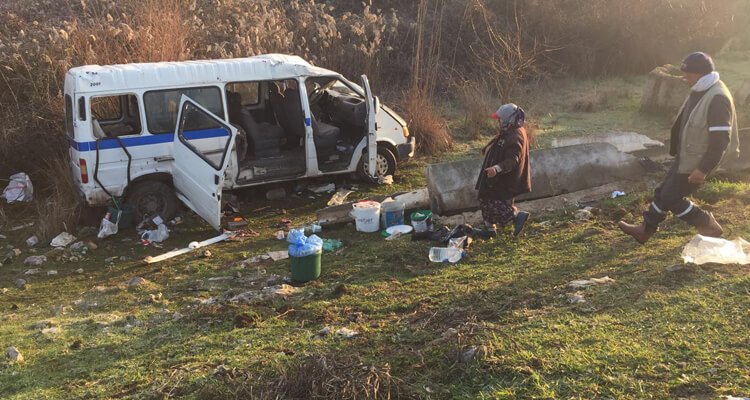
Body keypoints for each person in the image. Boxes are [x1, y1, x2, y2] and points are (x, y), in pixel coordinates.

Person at [619, 52, 740, 244]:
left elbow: (720, 140)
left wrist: (703, 169)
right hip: (687, 155)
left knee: (671, 197)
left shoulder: (717, 98)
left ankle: (708, 223)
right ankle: (645, 230)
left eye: (687, 74)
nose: (684, 78)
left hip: (698, 160)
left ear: (700, 73)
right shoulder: (701, 87)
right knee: (663, 192)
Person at [475, 103, 532, 236]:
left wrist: (497, 168)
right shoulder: (510, 130)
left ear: (508, 120)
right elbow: (500, 142)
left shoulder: (515, 135)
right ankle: (490, 229)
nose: (499, 122)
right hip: (498, 176)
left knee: (490, 200)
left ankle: (516, 216)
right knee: (485, 197)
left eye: (500, 119)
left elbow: (513, 160)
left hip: (505, 178)